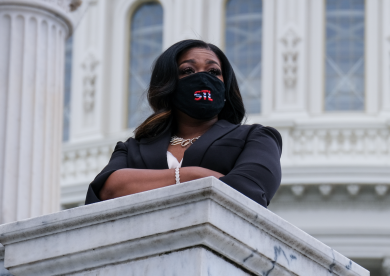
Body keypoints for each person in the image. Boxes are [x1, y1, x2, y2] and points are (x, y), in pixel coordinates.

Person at [85, 39, 282, 207]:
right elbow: (107, 190)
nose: (203, 78)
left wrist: (143, 183)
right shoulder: (133, 148)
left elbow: (248, 193)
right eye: (188, 70)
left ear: (226, 87)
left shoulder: (257, 138)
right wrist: (194, 176)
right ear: (169, 84)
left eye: (213, 72)